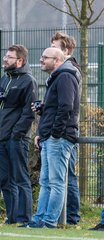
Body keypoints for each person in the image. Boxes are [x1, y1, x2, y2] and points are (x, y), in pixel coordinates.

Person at [25, 47, 80, 228]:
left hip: (59, 138)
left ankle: (49, 222)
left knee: (56, 183)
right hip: (50, 137)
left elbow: (66, 107)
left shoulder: (65, 77)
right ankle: (39, 219)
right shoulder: (57, 78)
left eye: (45, 57)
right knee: (46, 182)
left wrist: (55, 133)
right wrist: (42, 132)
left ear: (57, 60)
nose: (41, 60)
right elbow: (55, 108)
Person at [0, 44, 38, 224]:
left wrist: (16, 134)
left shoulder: (28, 81)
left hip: (16, 139)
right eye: (5, 56)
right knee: (5, 181)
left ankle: (24, 218)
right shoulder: (4, 79)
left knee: (20, 179)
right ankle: (11, 218)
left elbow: (29, 112)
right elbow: (2, 105)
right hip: (0, 138)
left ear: (20, 61)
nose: (5, 59)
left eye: (9, 57)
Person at [50, 31, 81, 225]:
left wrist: (55, 132)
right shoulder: (62, 71)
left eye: (54, 47)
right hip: (61, 130)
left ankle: (71, 217)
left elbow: (66, 106)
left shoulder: (69, 71)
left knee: (67, 177)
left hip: (64, 133)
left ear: (66, 50)